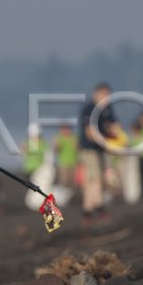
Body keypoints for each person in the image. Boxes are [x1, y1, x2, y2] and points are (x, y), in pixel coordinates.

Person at [77, 83, 117, 223]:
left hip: (100, 149)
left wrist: (115, 134)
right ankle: (96, 208)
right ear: (97, 94)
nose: (107, 98)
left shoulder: (107, 109)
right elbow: (89, 134)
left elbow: (114, 126)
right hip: (89, 149)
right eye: (105, 95)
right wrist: (107, 142)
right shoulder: (89, 109)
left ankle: (89, 210)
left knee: (94, 179)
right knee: (95, 178)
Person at [54, 123, 78, 193]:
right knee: (64, 181)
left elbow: (77, 148)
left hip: (74, 162)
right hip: (63, 163)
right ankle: (63, 194)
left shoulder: (74, 137)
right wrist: (57, 145)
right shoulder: (59, 138)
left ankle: (71, 195)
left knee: (73, 181)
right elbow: (56, 150)